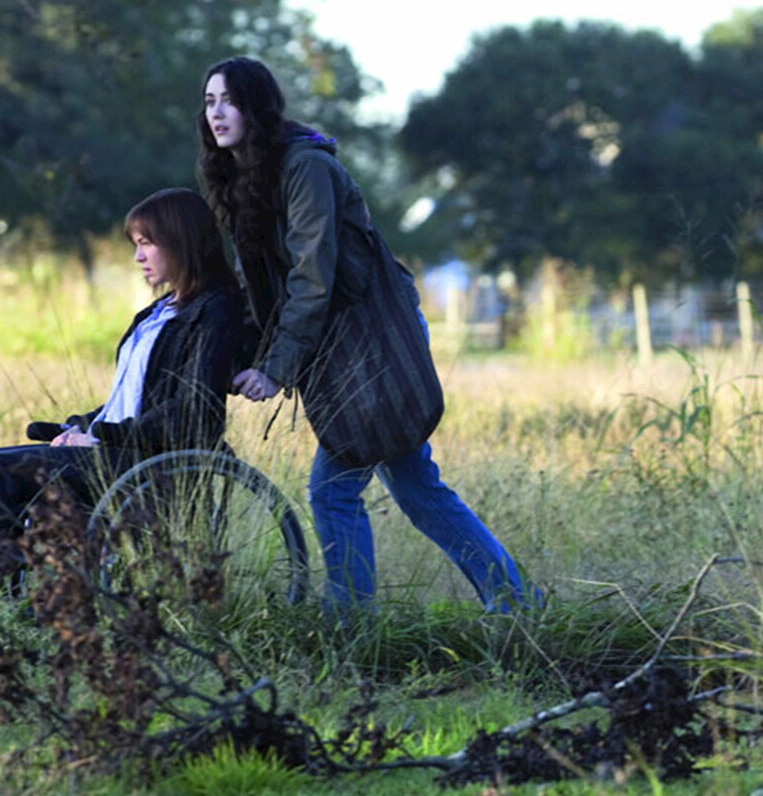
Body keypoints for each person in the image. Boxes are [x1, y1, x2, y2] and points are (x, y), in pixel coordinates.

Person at [195, 56, 537, 614]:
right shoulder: (245, 178)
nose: (217, 113)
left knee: (333, 492)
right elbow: (255, 282)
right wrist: (227, 348)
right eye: (210, 102)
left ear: (257, 108)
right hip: (337, 342)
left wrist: (277, 368)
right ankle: (518, 606)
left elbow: (313, 276)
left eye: (230, 100)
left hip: (373, 338)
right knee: (417, 488)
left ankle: (349, 624)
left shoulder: (304, 167)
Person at [0, 188, 249, 590]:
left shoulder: (216, 309)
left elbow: (195, 412)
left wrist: (103, 436)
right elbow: (129, 400)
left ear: (181, 241)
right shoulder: (156, 313)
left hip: (145, 461)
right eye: (135, 245)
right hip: (112, 447)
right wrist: (78, 427)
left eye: (146, 243)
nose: (138, 256)